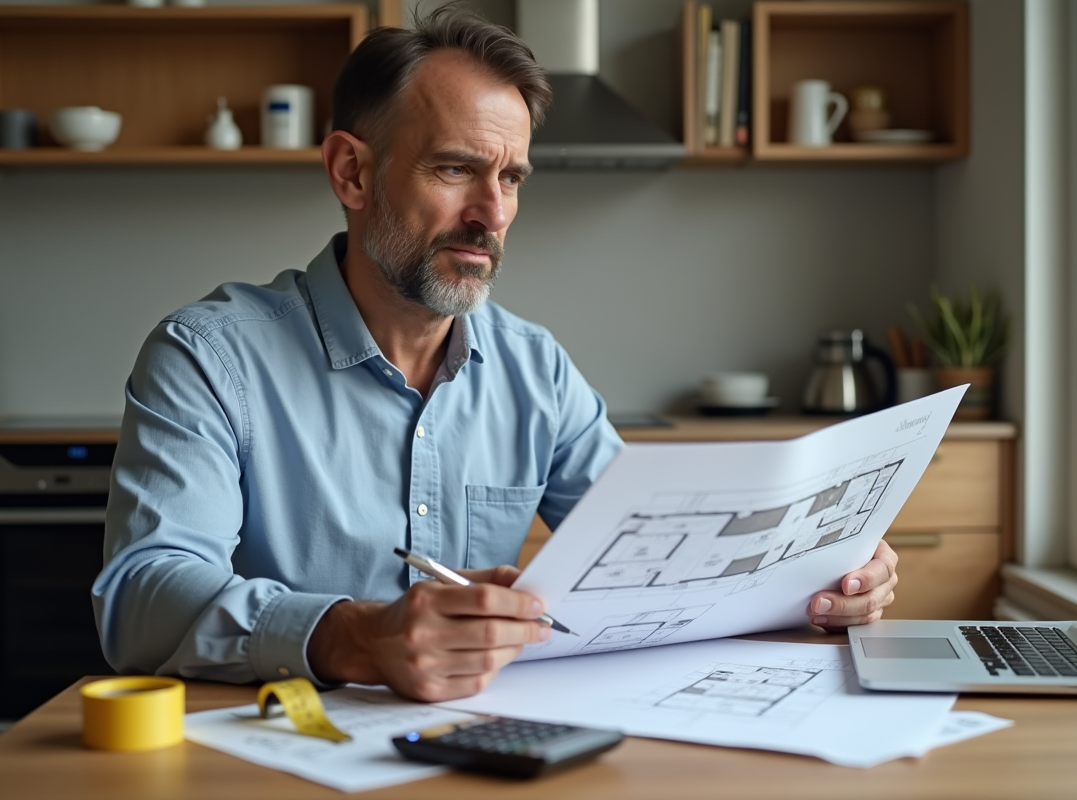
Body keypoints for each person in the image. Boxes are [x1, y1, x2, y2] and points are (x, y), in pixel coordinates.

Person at [92, 7, 899, 703]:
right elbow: (139, 600)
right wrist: (356, 636)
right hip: (276, 748)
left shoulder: (534, 371)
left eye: (511, 178)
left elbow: (656, 564)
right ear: (352, 172)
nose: (493, 214)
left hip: (486, 745)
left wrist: (816, 579)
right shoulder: (208, 358)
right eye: (456, 168)